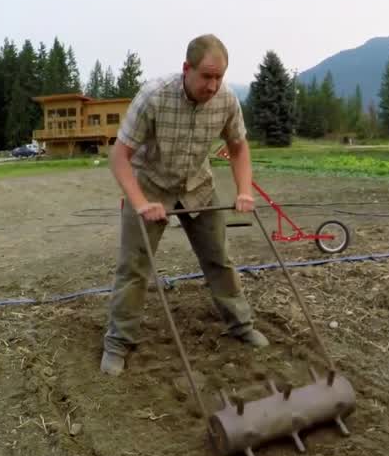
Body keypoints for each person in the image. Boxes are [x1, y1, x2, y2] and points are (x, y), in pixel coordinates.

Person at [99, 33, 268, 376]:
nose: (213, 85)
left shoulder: (226, 100)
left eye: (219, 77)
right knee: (134, 268)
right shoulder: (154, 96)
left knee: (219, 258)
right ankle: (119, 341)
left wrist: (244, 190)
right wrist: (141, 203)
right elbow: (119, 157)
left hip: (198, 186)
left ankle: (240, 325)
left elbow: (238, 147)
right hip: (150, 184)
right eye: (206, 76)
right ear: (186, 68)